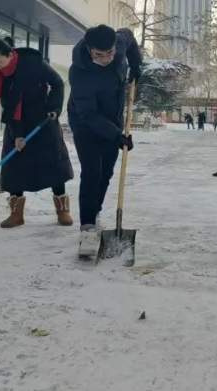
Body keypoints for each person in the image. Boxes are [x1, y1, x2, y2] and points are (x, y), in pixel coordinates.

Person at [0, 38, 73, 228]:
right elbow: (8, 105)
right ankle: (16, 214)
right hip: (16, 121)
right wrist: (18, 135)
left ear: (10, 55)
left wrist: (54, 107)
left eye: (0, 61)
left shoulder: (34, 63)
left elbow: (57, 83)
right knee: (15, 167)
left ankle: (62, 210)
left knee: (52, 164)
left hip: (43, 119)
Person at [67, 25, 142, 258]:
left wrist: (137, 65)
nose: (105, 59)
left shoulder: (118, 43)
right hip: (85, 123)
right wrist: (115, 135)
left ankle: (95, 211)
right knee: (92, 172)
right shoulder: (80, 73)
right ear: (89, 50)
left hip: (113, 118)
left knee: (107, 171)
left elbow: (129, 37)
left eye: (109, 53)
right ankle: (87, 229)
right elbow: (88, 114)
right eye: (98, 55)